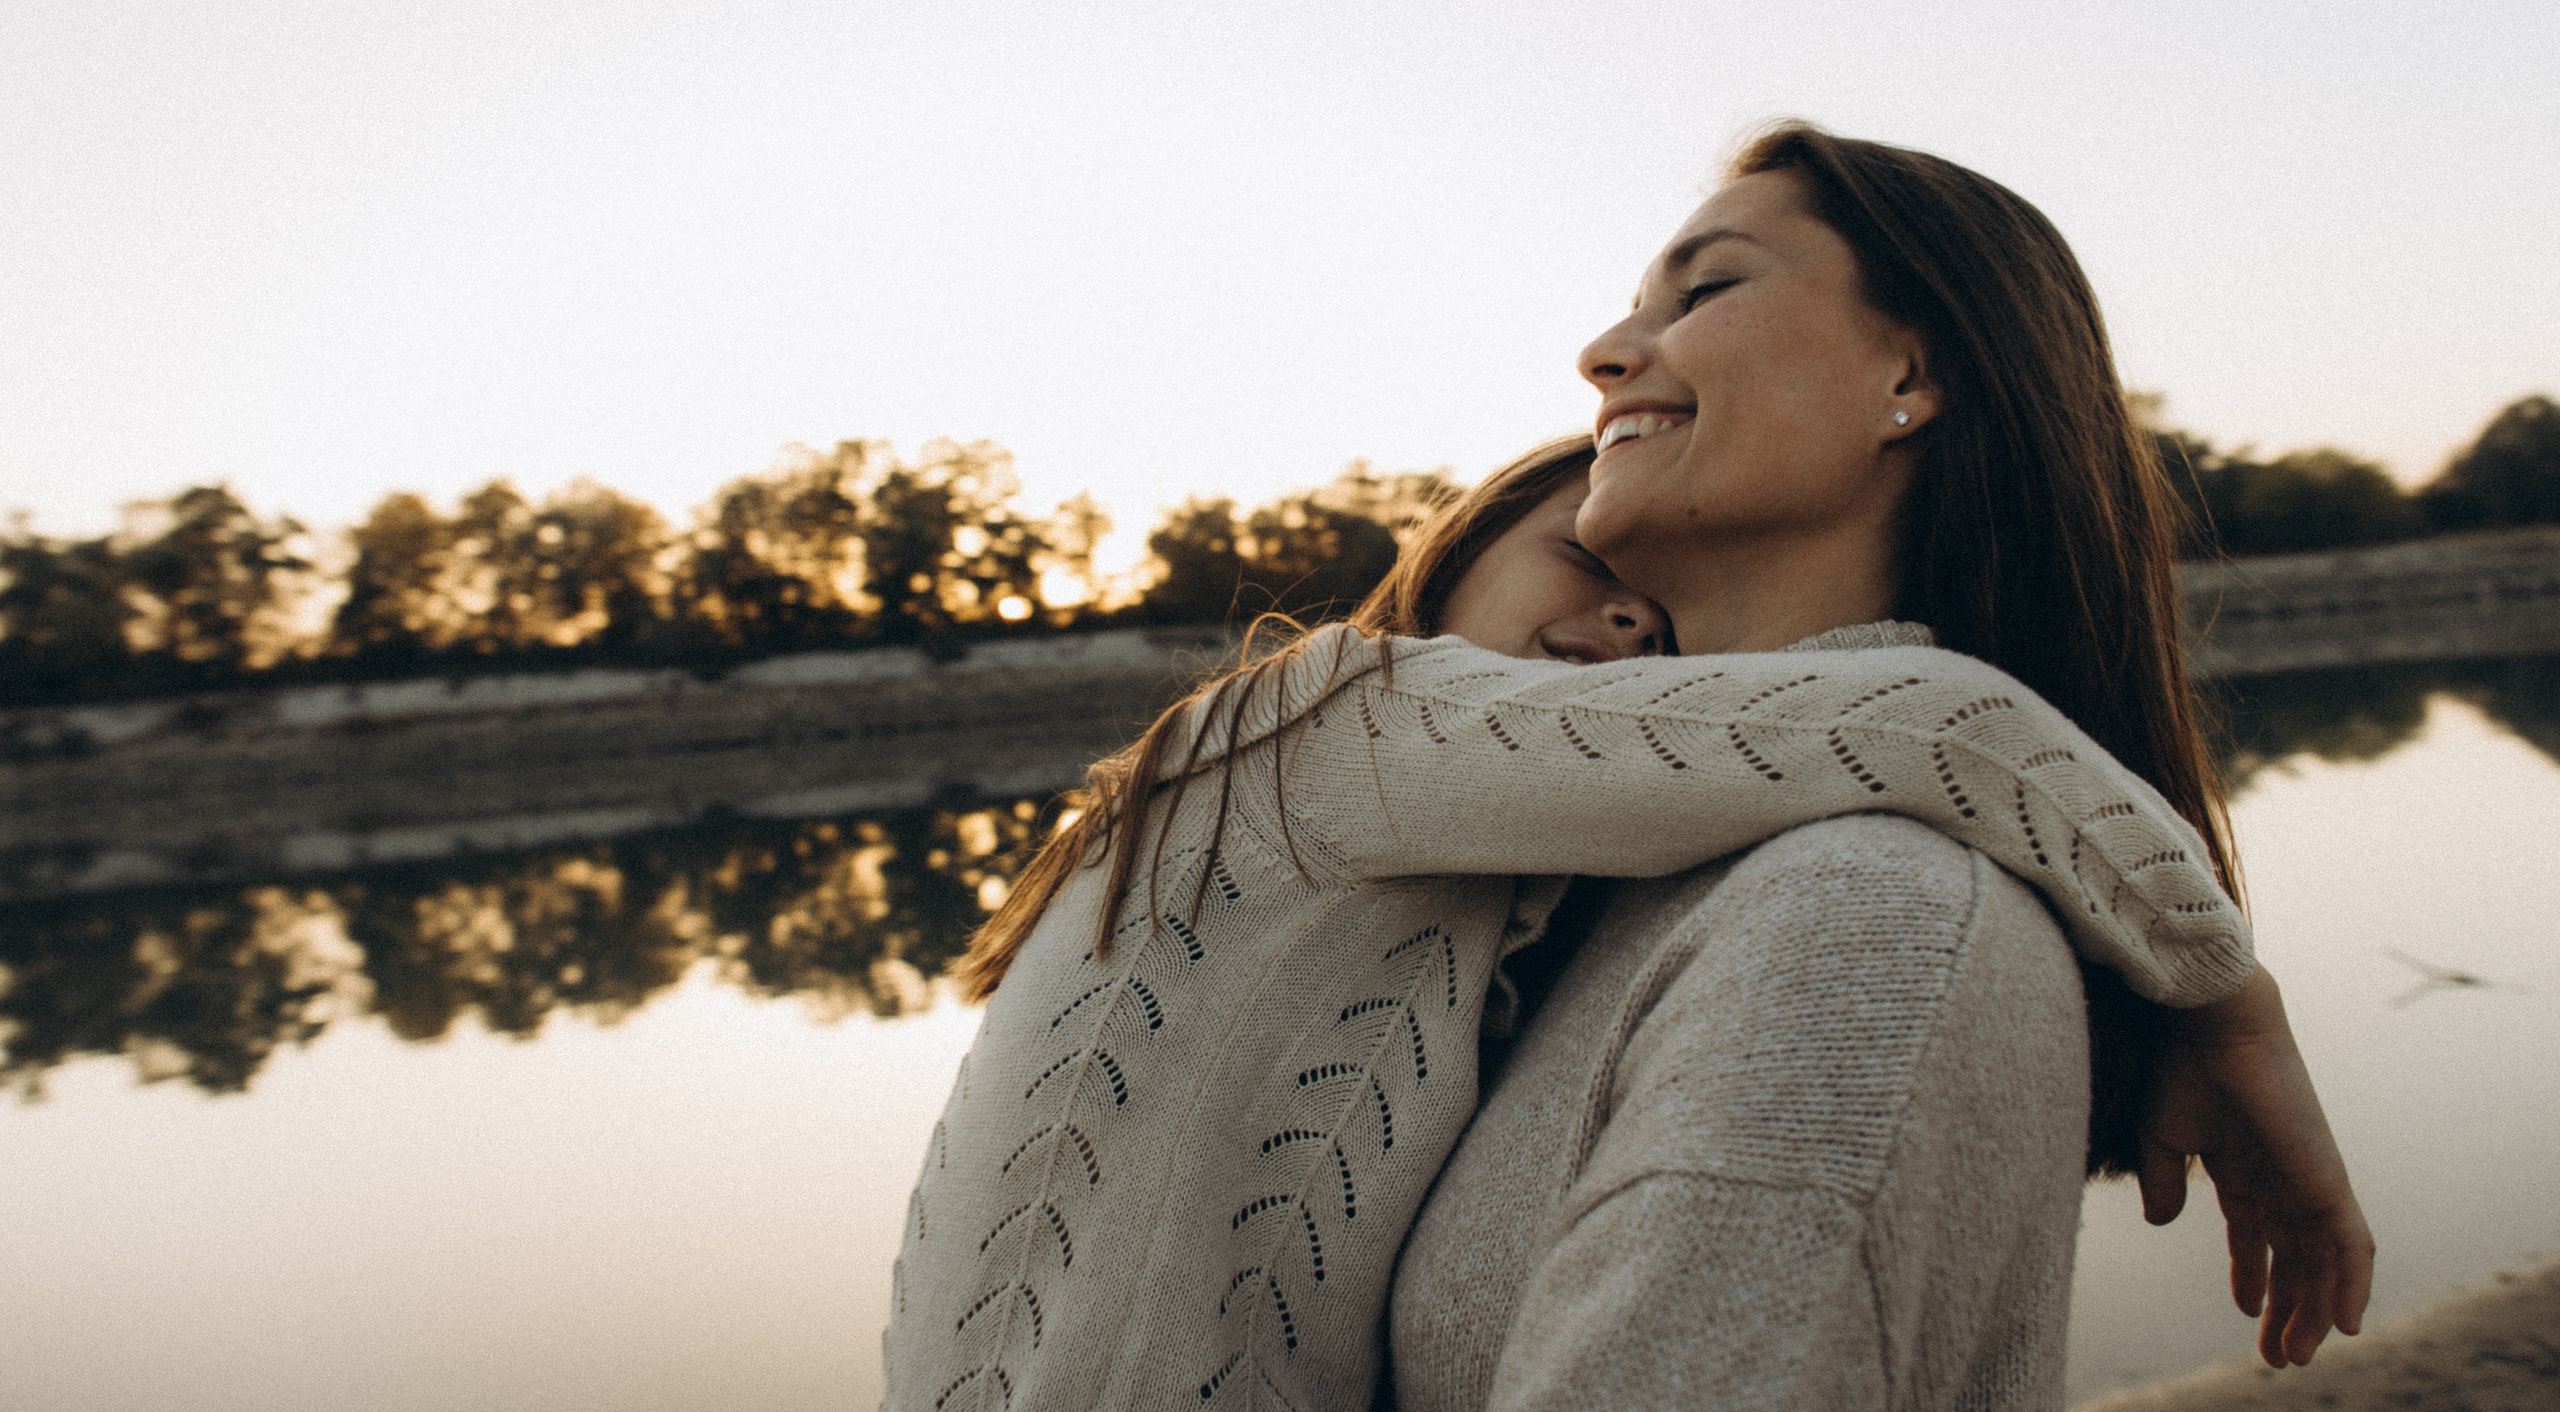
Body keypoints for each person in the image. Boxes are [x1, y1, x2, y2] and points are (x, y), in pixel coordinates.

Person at [880, 430, 2298, 1407]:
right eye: (1585, 559)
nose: (1629, 627)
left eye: (1667, 626)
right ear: (1468, 539)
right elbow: (1957, 732)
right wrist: (2221, 999)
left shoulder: (1475, 895)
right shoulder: (1334, 716)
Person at [1383, 124, 2372, 1409]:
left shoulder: (1873, 924)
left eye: (1708, 288)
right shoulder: (1596, 877)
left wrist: (2205, 973)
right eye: (1633, 308)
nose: (1605, 353)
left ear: (1911, 370)